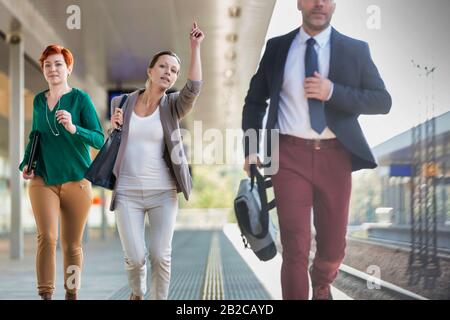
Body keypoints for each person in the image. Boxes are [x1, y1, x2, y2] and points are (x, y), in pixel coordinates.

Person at [242, 0, 392, 300]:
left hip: (336, 157)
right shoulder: (277, 48)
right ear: (299, 3)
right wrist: (250, 149)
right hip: (287, 156)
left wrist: (332, 91)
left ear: (334, 4)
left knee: (333, 247)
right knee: (295, 246)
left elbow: (382, 101)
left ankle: (321, 282)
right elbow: (255, 101)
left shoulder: (356, 50)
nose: (319, 3)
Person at [109, 22, 204, 300]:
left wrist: (195, 48)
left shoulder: (173, 104)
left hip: (162, 192)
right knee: (136, 257)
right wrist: (112, 127)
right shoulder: (122, 103)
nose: (169, 73)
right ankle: (137, 293)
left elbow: (194, 88)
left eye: (174, 70)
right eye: (163, 66)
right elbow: (114, 141)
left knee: (161, 256)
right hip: (126, 192)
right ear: (150, 71)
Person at [19, 45, 104, 300]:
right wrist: (26, 163)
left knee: (71, 244)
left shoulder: (81, 99)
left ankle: (71, 293)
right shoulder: (38, 101)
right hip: (43, 178)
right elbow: (36, 135)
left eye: (58, 64)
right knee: (47, 236)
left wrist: (74, 128)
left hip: (77, 180)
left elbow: (100, 139)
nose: (52, 69)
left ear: (68, 68)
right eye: (47, 65)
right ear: (43, 70)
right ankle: (45, 294)